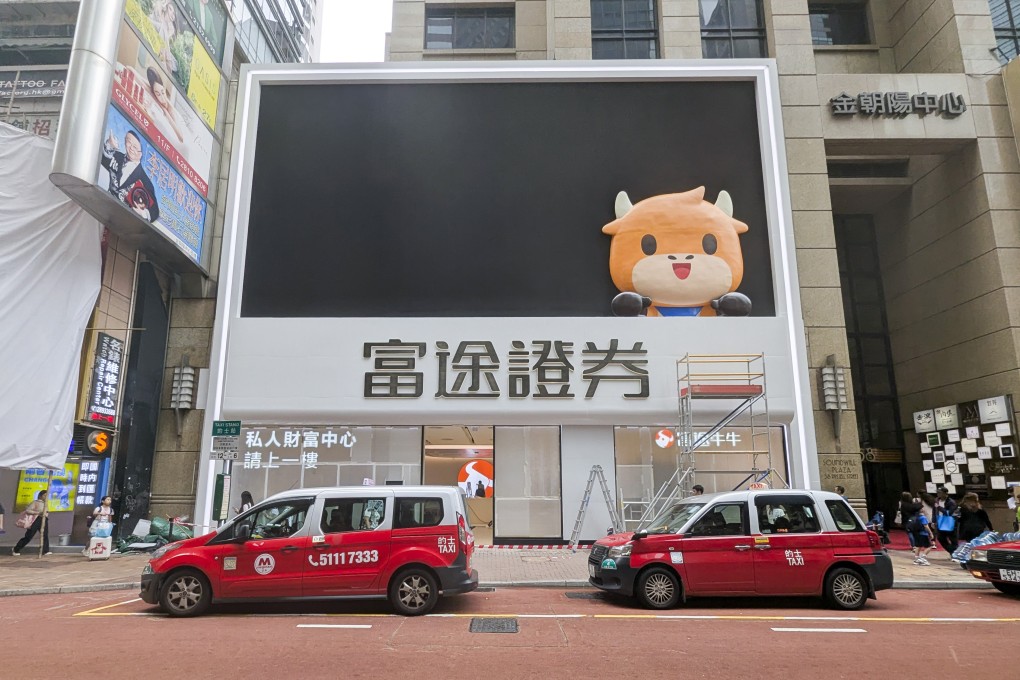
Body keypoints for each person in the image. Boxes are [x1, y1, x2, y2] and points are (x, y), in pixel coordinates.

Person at [101, 129, 160, 221]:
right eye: (129, 142)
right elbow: (102, 159)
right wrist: (109, 144)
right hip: (103, 206)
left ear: (141, 154)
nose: (131, 148)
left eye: (135, 147)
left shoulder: (144, 179)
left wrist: (143, 214)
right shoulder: (117, 156)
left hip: (122, 220)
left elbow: (155, 211)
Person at [144, 67, 184, 145]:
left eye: (163, 92)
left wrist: (165, 111)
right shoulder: (154, 94)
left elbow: (181, 138)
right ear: (154, 93)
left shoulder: (170, 109)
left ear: (164, 89)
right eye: (158, 94)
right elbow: (130, 69)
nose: (162, 98)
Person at [13, 490, 50, 556]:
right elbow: (28, 510)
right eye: (44, 495)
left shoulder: (46, 503)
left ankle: (45, 550)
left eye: (46, 495)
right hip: (36, 520)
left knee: (45, 535)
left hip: (44, 520)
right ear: (41, 496)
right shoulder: (35, 502)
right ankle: (16, 549)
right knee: (29, 536)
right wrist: (38, 513)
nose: (45, 497)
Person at [934, 487, 959, 554]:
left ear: (945, 493)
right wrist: (934, 521)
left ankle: (955, 553)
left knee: (953, 539)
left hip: (949, 522)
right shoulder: (937, 500)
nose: (938, 494)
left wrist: (939, 507)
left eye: (940, 492)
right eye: (937, 492)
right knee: (940, 538)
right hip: (940, 521)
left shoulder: (951, 502)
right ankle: (952, 551)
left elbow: (949, 513)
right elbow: (935, 511)